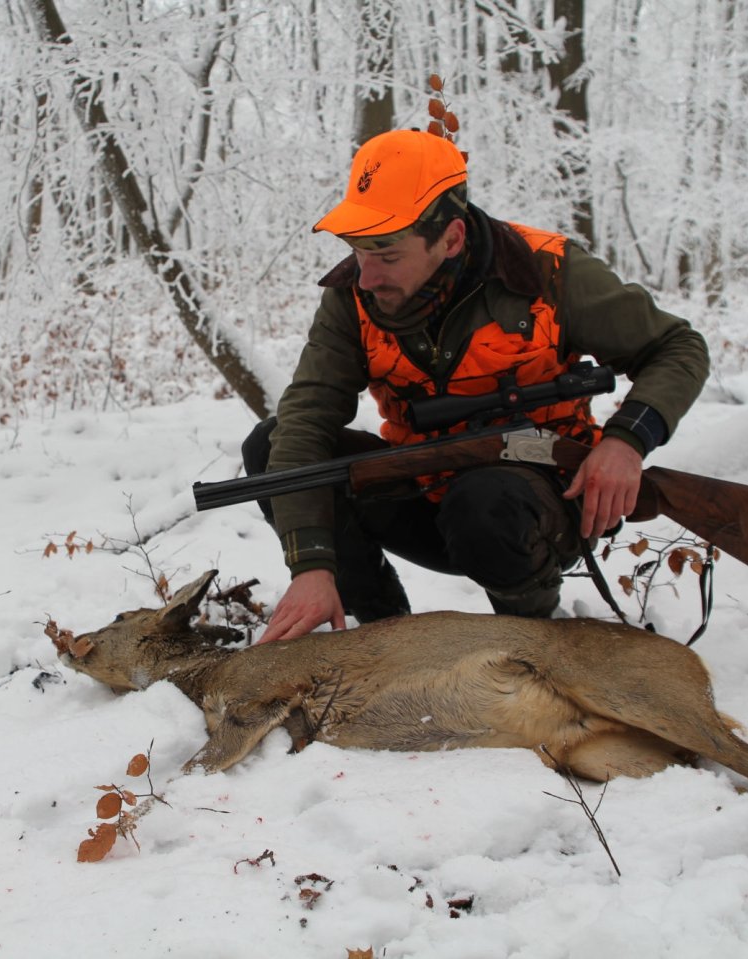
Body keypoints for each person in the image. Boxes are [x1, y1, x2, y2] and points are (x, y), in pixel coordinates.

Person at [244, 129, 709, 644]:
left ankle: (534, 641)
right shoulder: (351, 297)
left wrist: (625, 443)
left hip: (534, 499)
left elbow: (679, 348)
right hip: (420, 487)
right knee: (271, 450)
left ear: (452, 239)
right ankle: (375, 630)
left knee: (483, 503)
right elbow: (307, 420)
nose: (367, 276)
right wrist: (310, 563)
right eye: (358, 251)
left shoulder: (549, 271)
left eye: (388, 255)